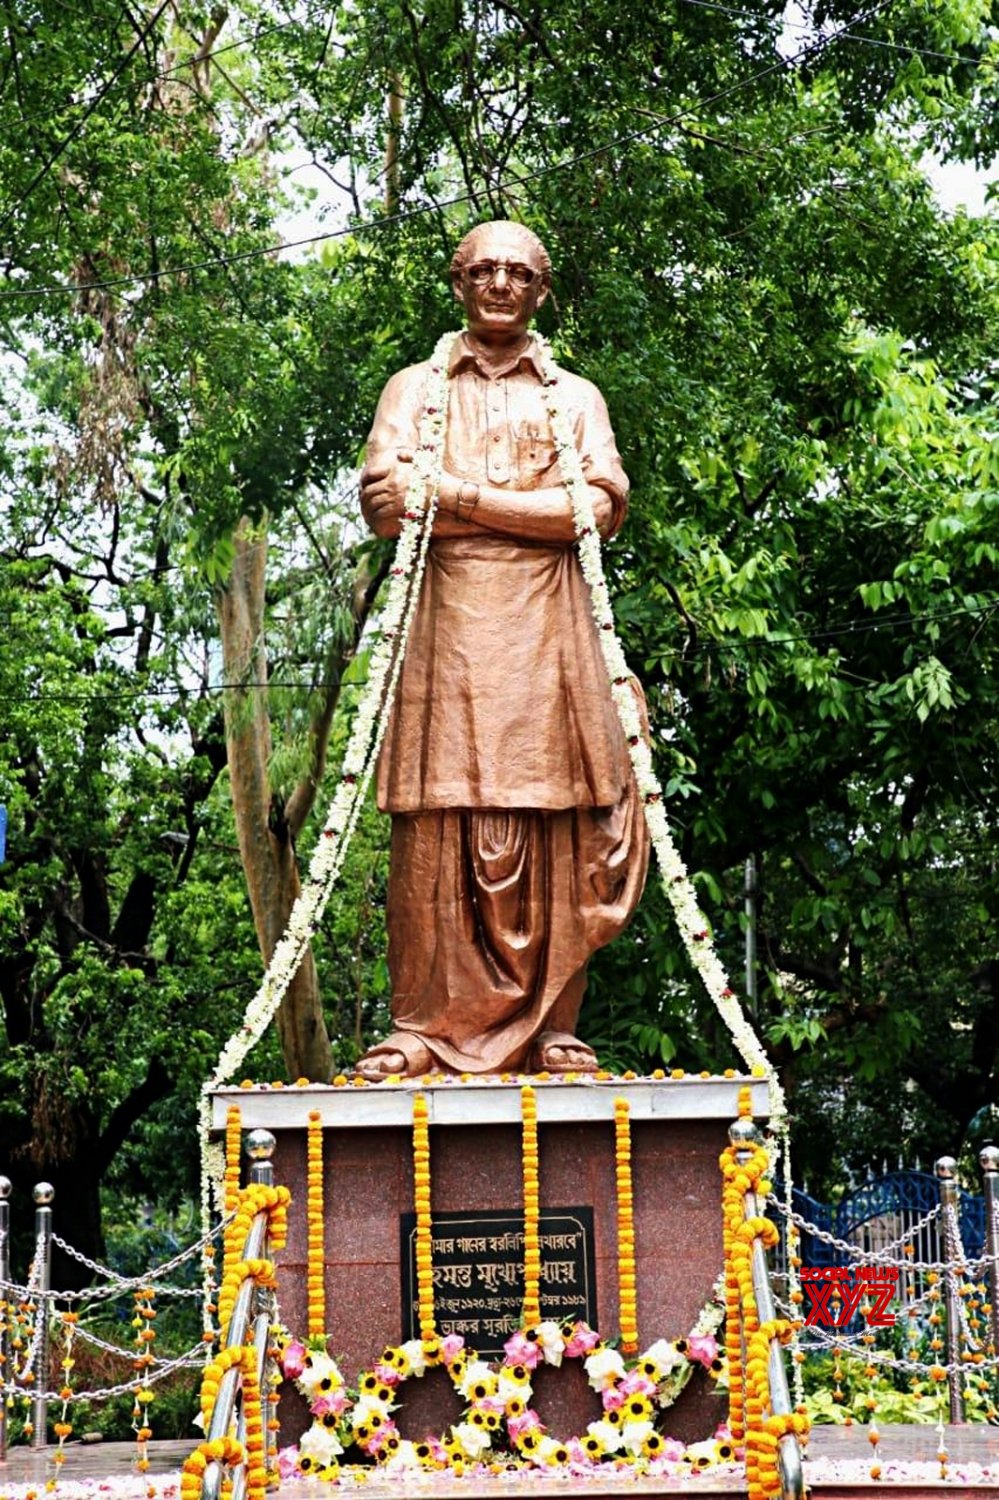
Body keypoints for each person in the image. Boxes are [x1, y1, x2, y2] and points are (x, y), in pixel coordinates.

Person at [357, 220, 648, 1079]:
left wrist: (455, 496)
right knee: (436, 817)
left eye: (516, 273)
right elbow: (384, 505)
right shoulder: (413, 389)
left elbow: (594, 510)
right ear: (457, 283)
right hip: (445, 632)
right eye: (481, 269)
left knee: (555, 814)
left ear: (540, 290)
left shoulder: (574, 397)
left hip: (550, 638)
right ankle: (420, 1028)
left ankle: (552, 1024)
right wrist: (529, 512)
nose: (498, 284)